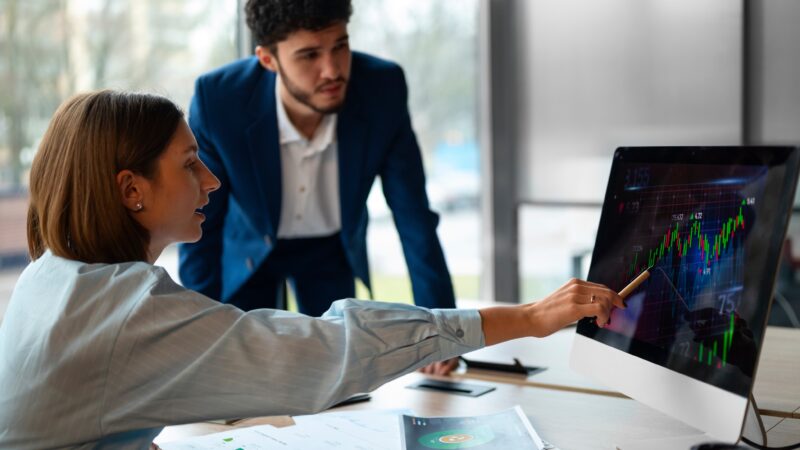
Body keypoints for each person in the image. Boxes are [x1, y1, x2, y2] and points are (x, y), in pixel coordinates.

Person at [0, 90, 623, 449]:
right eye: (190, 163)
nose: (211, 181)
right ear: (131, 190)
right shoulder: (123, 309)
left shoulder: (52, 278)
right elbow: (325, 352)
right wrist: (530, 316)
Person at [177, 0, 455, 318]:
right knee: (247, 359)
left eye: (340, 46)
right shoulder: (220, 100)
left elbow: (414, 217)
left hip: (330, 249)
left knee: (337, 359)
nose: (333, 70)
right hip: (250, 250)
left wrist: (443, 327)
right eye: (310, 55)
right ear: (268, 59)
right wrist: (199, 325)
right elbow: (202, 224)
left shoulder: (383, 89)